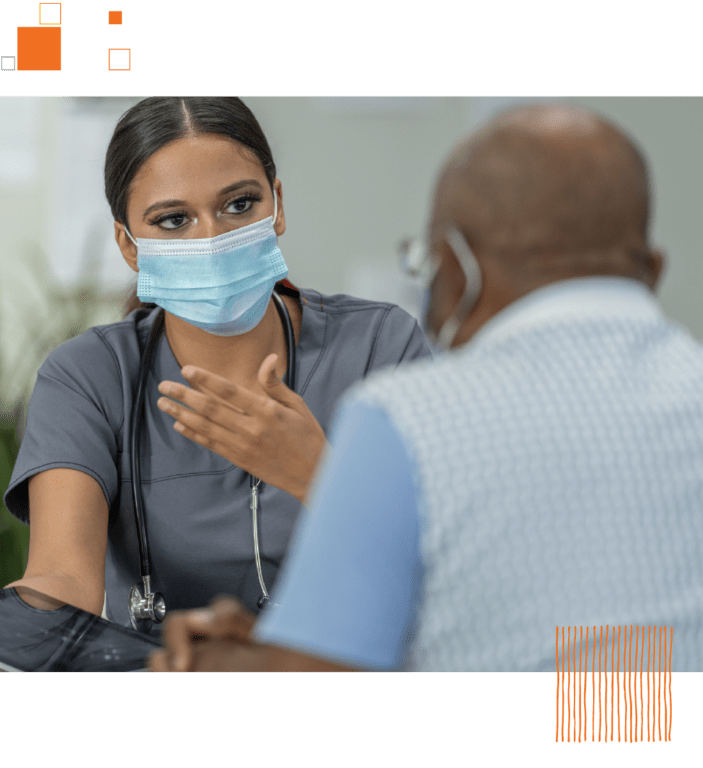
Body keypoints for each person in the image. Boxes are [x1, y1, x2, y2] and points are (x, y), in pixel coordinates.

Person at [150, 101, 703, 674]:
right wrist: (286, 643)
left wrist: (221, 664)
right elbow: (608, 671)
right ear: (652, 271)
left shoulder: (410, 419)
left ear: (457, 271)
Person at [0, 97, 434, 663]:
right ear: (129, 244)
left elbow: (450, 559)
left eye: (239, 204)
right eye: (172, 220)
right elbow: (61, 582)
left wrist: (321, 477)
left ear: (277, 206)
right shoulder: (88, 377)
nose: (211, 237)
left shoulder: (382, 345)